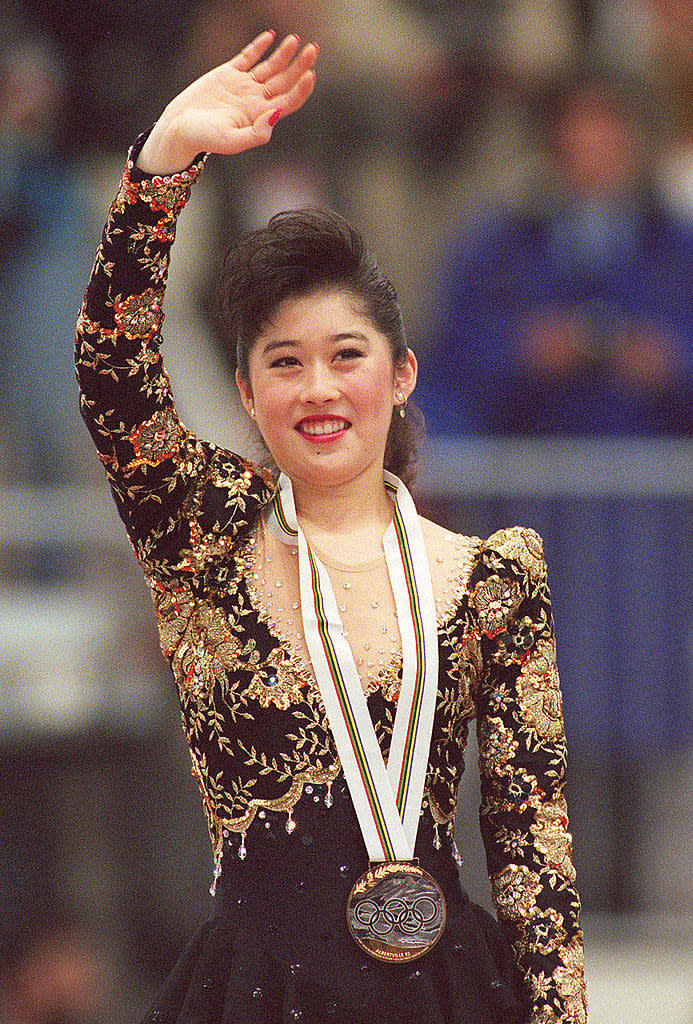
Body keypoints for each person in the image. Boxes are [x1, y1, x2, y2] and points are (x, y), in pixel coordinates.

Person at [75, 31, 587, 1024]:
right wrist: (163, 165)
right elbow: (114, 378)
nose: (319, 388)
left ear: (399, 376)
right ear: (245, 391)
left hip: (450, 992)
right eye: (284, 362)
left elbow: (533, 855)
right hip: (255, 989)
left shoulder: (492, 577)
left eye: (346, 354)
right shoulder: (206, 535)